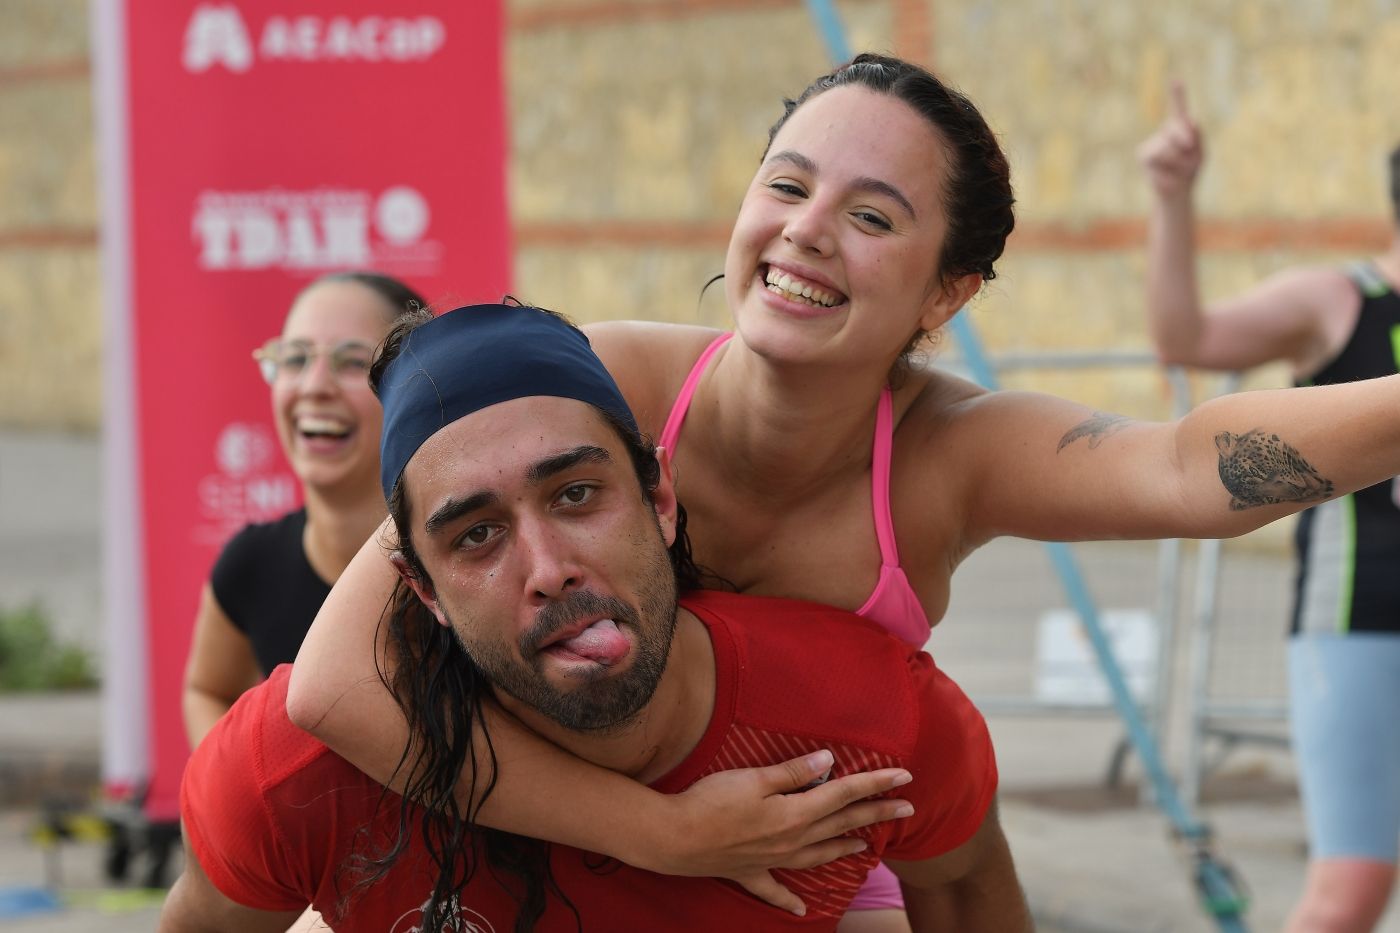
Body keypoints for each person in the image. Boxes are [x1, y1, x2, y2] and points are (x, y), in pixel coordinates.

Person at [288, 53, 1400, 922]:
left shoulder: (950, 451)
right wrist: (660, 833)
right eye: (785, 185)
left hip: (797, 878)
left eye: (871, 218)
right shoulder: (597, 383)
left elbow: (1182, 466)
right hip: (521, 830)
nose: (805, 233)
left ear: (945, 293)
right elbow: (334, 687)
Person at [160, 302, 1021, 931]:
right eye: (477, 534)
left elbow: (963, 880)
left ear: (662, 498)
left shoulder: (873, 723)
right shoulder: (293, 774)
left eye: (576, 493)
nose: (548, 569)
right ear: (423, 592)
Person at [1139, 84, 1400, 933]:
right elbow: (1186, 338)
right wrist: (1172, 199)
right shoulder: (1340, 298)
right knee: (1351, 888)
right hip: (1362, 617)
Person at [181, 271, 426, 747]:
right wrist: (228, 800)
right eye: (294, 359)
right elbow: (207, 689)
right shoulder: (251, 565)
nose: (314, 386)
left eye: (353, 362)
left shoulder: (468, 564)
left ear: (415, 385)